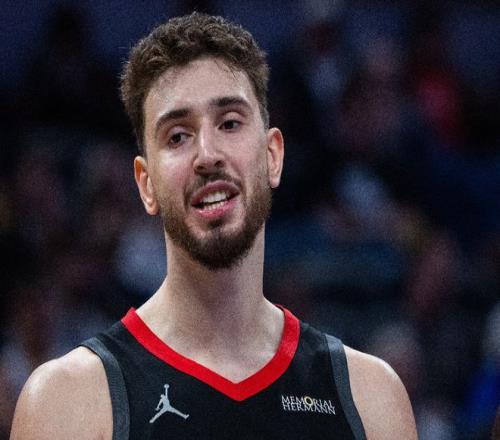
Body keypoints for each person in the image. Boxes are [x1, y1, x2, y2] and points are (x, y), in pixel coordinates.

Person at [10, 12, 417, 439]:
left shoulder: (370, 398)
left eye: (230, 123)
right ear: (146, 185)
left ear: (273, 156)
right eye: (177, 136)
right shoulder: (68, 401)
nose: (207, 154)